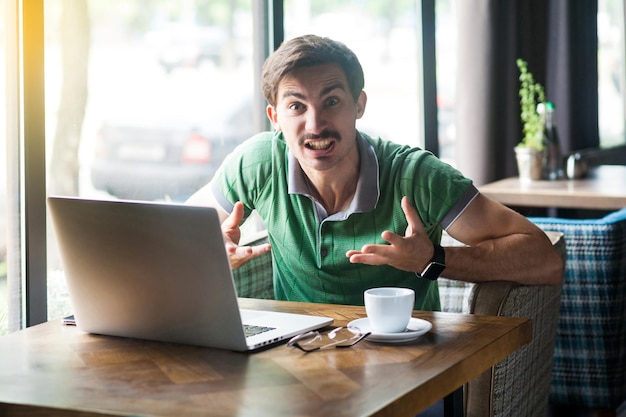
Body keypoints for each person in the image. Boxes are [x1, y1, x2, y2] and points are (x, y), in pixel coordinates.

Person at [187, 34, 563, 311]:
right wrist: (206, 253)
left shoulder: (415, 176)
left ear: (359, 105)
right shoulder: (257, 163)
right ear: (276, 117)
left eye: (331, 101)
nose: (315, 125)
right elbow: (173, 232)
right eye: (297, 106)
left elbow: (544, 259)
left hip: (409, 366)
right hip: (297, 365)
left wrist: (432, 259)